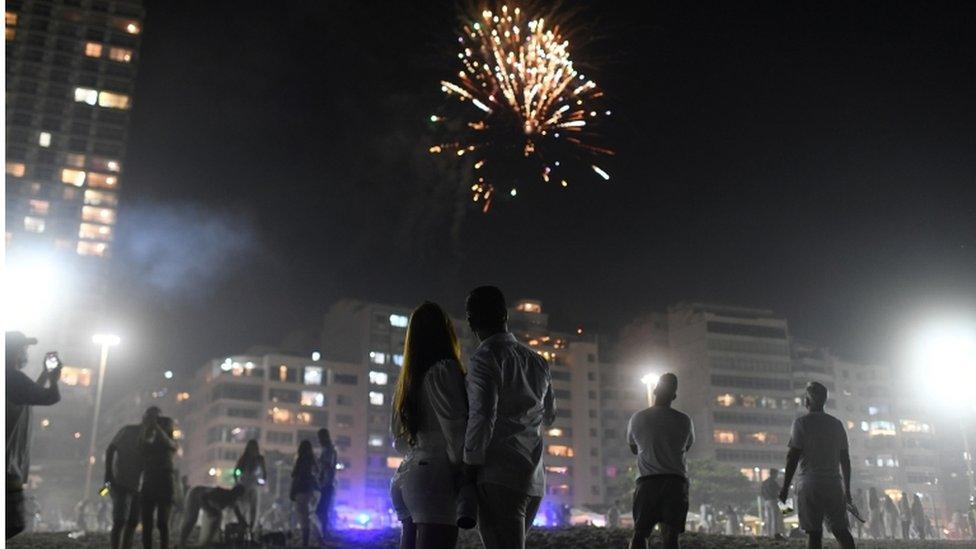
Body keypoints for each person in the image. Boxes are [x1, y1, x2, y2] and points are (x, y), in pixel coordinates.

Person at [462, 287, 555, 549]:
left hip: (498, 476)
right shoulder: (538, 362)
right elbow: (550, 415)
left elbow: (482, 416)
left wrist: (469, 465)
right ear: (505, 315)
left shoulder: (484, 358)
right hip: (533, 478)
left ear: (470, 322)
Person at [390, 301, 469, 549]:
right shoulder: (444, 371)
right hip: (436, 476)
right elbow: (456, 432)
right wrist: (464, 473)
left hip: (407, 476)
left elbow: (398, 441)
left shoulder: (407, 382)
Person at [778, 382, 856, 549]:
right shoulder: (836, 424)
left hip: (810, 484)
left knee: (814, 534)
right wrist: (847, 490)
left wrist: (785, 487)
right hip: (834, 484)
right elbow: (845, 460)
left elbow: (792, 457)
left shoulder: (801, 423)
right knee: (841, 531)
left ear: (808, 401)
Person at [626, 373, 695, 549]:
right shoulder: (684, 420)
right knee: (671, 537)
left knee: (640, 534)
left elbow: (633, 448)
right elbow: (687, 447)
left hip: (647, 481)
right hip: (675, 482)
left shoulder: (638, 418)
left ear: (655, 390)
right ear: (674, 395)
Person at [6, 331, 61, 539]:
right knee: (13, 523)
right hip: (6, 468)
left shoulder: (11, 381)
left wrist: (45, 375)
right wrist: (55, 379)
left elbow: (28, 395)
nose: (26, 352)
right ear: (14, 351)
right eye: (24, 348)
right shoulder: (12, 377)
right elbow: (50, 397)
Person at [105, 413, 147, 549]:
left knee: (133, 522)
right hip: (121, 481)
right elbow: (111, 449)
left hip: (139, 485)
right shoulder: (129, 430)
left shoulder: (153, 437)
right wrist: (109, 473)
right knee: (119, 521)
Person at [138, 407, 178, 549]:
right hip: (149, 479)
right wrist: (148, 426)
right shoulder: (146, 432)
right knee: (147, 523)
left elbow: (170, 443)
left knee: (162, 522)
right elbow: (143, 445)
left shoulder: (167, 433)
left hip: (164, 478)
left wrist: (155, 425)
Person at [178, 484, 247, 547]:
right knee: (191, 519)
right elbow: (203, 497)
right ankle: (181, 543)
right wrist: (209, 509)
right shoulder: (221, 493)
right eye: (238, 495)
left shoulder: (232, 499)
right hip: (195, 493)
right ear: (234, 492)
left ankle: (202, 542)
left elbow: (238, 514)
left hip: (203, 499)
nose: (237, 498)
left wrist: (244, 524)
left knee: (215, 516)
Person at [234, 439, 267, 539]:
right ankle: (245, 529)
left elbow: (264, 473)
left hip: (251, 486)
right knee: (245, 509)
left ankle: (250, 530)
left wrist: (261, 482)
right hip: (246, 486)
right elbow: (236, 471)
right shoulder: (245, 459)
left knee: (252, 509)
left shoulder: (257, 459)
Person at [290, 440, 319, 547]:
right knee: (307, 514)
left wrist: (292, 491)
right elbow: (317, 473)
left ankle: (305, 540)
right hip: (310, 490)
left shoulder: (300, 460)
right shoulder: (312, 460)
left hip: (300, 489)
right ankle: (308, 539)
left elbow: (295, 476)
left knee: (302, 515)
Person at [315, 428, 338, 540]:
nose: (318, 441)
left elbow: (327, 465)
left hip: (327, 484)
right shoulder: (329, 449)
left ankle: (325, 533)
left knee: (321, 510)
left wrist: (320, 467)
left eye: (319, 438)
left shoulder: (328, 450)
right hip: (327, 483)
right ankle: (325, 532)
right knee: (322, 510)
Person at [761, 468, 785, 539]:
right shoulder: (773, 482)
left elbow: (762, 492)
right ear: (774, 474)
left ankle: (768, 534)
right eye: (776, 474)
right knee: (774, 518)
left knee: (768, 518)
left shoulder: (764, 482)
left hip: (766, 501)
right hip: (773, 500)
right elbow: (779, 490)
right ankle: (775, 534)